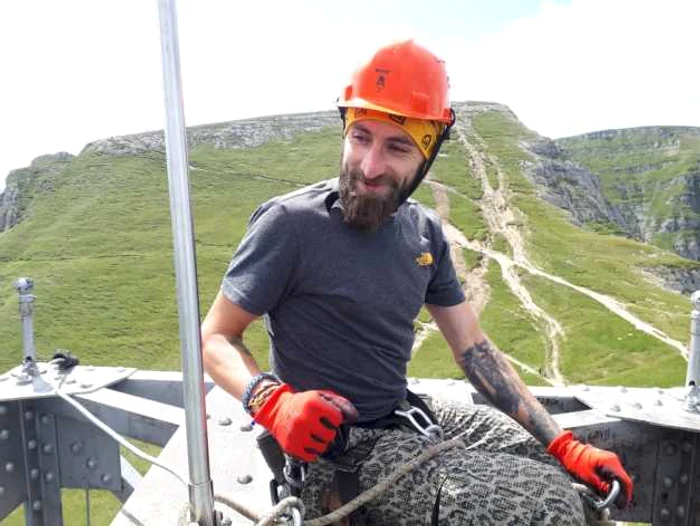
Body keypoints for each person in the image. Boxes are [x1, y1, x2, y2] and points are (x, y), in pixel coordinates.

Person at [201, 39, 633, 525]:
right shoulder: (290, 225)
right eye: (360, 137)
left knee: (561, 474)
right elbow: (216, 336)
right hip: (330, 450)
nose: (369, 166)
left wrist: (564, 444)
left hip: (403, 414)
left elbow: (473, 348)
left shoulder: (422, 231)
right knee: (546, 504)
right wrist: (271, 403)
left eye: (397, 147)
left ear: (428, 153)